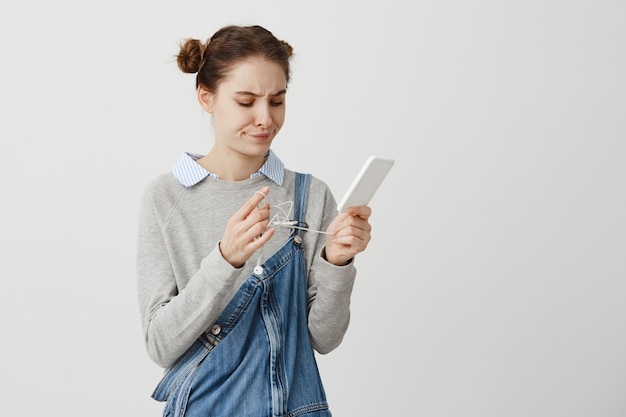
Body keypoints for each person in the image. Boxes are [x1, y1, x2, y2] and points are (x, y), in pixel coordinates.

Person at [137, 25, 372, 417]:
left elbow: (323, 338)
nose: (265, 119)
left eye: (277, 101)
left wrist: (338, 262)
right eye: (246, 102)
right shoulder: (166, 197)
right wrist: (224, 260)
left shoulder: (309, 196)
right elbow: (160, 345)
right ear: (206, 97)